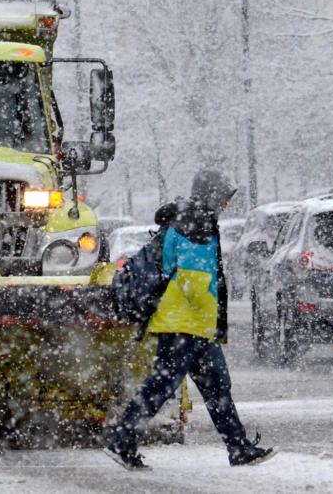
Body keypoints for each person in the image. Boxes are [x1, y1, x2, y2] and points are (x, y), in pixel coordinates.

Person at [105, 169, 274, 470]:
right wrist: (206, 311)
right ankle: (121, 440)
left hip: (193, 323)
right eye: (222, 197)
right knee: (162, 386)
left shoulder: (188, 219)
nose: (225, 204)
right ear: (211, 194)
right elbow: (192, 277)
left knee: (217, 385)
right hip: (184, 321)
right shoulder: (195, 222)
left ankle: (239, 448)